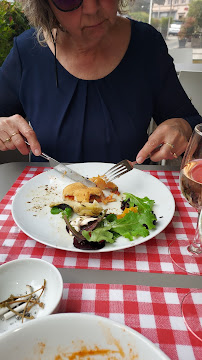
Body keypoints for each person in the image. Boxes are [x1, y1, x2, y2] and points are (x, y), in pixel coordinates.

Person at [0, 0, 201, 165]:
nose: (92, 8)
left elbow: (191, 125)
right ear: (44, 5)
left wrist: (182, 128)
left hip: (133, 202)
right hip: (43, 203)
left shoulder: (147, 45)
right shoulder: (27, 52)